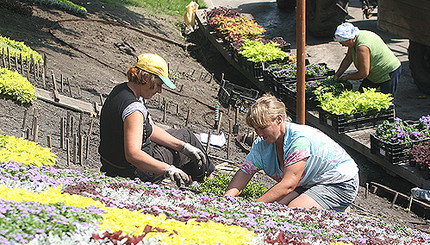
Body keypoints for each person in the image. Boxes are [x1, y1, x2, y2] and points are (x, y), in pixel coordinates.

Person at [223, 94, 359, 212]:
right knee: (276, 208)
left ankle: (338, 210)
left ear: (279, 119)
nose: (259, 133)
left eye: (263, 128)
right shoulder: (262, 144)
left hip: (339, 182)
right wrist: (226, 199)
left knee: (294, 210)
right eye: (256, 129)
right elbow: (245, 172)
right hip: (309, 182)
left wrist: (253, 207)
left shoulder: (298, 140)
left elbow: (288, 185)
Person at [99, 53, 214, 186]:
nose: (159, 90)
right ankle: (207, 182)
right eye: (159, 84)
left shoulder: (121, 90)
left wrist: (183, 147)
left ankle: (197, 179)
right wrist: (168, 169)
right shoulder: (134, 110)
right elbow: (133, 154)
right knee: (187, 135)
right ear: (146, 78)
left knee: (185, 140)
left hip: (113, 165)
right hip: (137, 172)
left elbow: (150, 129)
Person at [333, 22, 401, 97]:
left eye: (343, 43)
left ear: (351, 39)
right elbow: (348, 59)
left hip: (387, 71)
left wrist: (346, 77)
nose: (342, 45)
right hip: (373, 73)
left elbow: (363, 74)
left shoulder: (362, 47)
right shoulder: (355, 38)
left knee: (386, 100)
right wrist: (337, 75)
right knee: (362, 96)